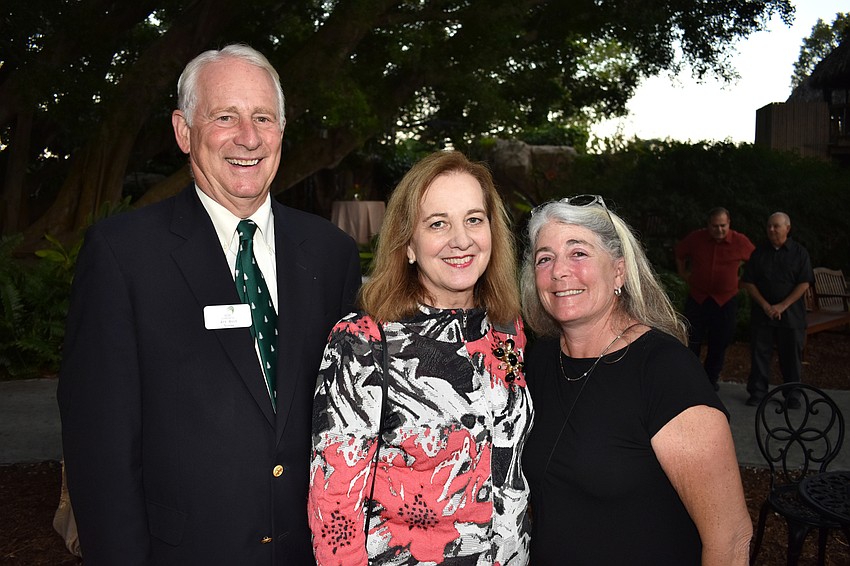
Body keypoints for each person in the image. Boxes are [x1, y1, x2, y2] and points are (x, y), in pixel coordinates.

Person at [57, 44, 361, 564]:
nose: (249, 137)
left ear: (281, 131)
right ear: (183, 131)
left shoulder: (330, 253)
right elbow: (99, 451)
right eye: (225, 116)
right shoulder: (122, 255)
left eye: (262, 117)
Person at [308, 151, 533, 565]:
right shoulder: (363, 342)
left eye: (473, 219)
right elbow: (334, 505)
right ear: (408, 244)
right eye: (437, 223)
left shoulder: (507, 330)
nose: (460, 239)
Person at [520, 196, 752, 565]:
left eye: (577, 252)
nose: (559, 271)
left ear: (619, 272)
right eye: (544, 258)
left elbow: (731, 539)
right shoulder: (543, 359)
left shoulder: (664, 371)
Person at [675, 207, 755, 390]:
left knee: (719, 342)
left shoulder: (739, 241)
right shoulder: (696, 238)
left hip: (726, 301)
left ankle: (710, 382)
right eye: (715, 226)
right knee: (691, 340)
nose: (719, 230)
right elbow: (680, 253)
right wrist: (683, 273)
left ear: (729, 224)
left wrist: (742, 281)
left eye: (722, 226)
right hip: (698, 298)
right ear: (708, 225)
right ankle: (690, 380)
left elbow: (756, 261)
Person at [741, 212, 813, 407]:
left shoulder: (800, 253)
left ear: (787, 228)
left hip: (791, 316)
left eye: (776, 226)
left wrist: (782, 306)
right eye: (769, 226)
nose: (771, 229)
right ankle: (757, 393)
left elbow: (804, 283)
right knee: (759, 355)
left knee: (791, 358)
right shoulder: (759, 253)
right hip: (762, 314)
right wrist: (766, 306)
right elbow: (748, 282)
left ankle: (792, 396)